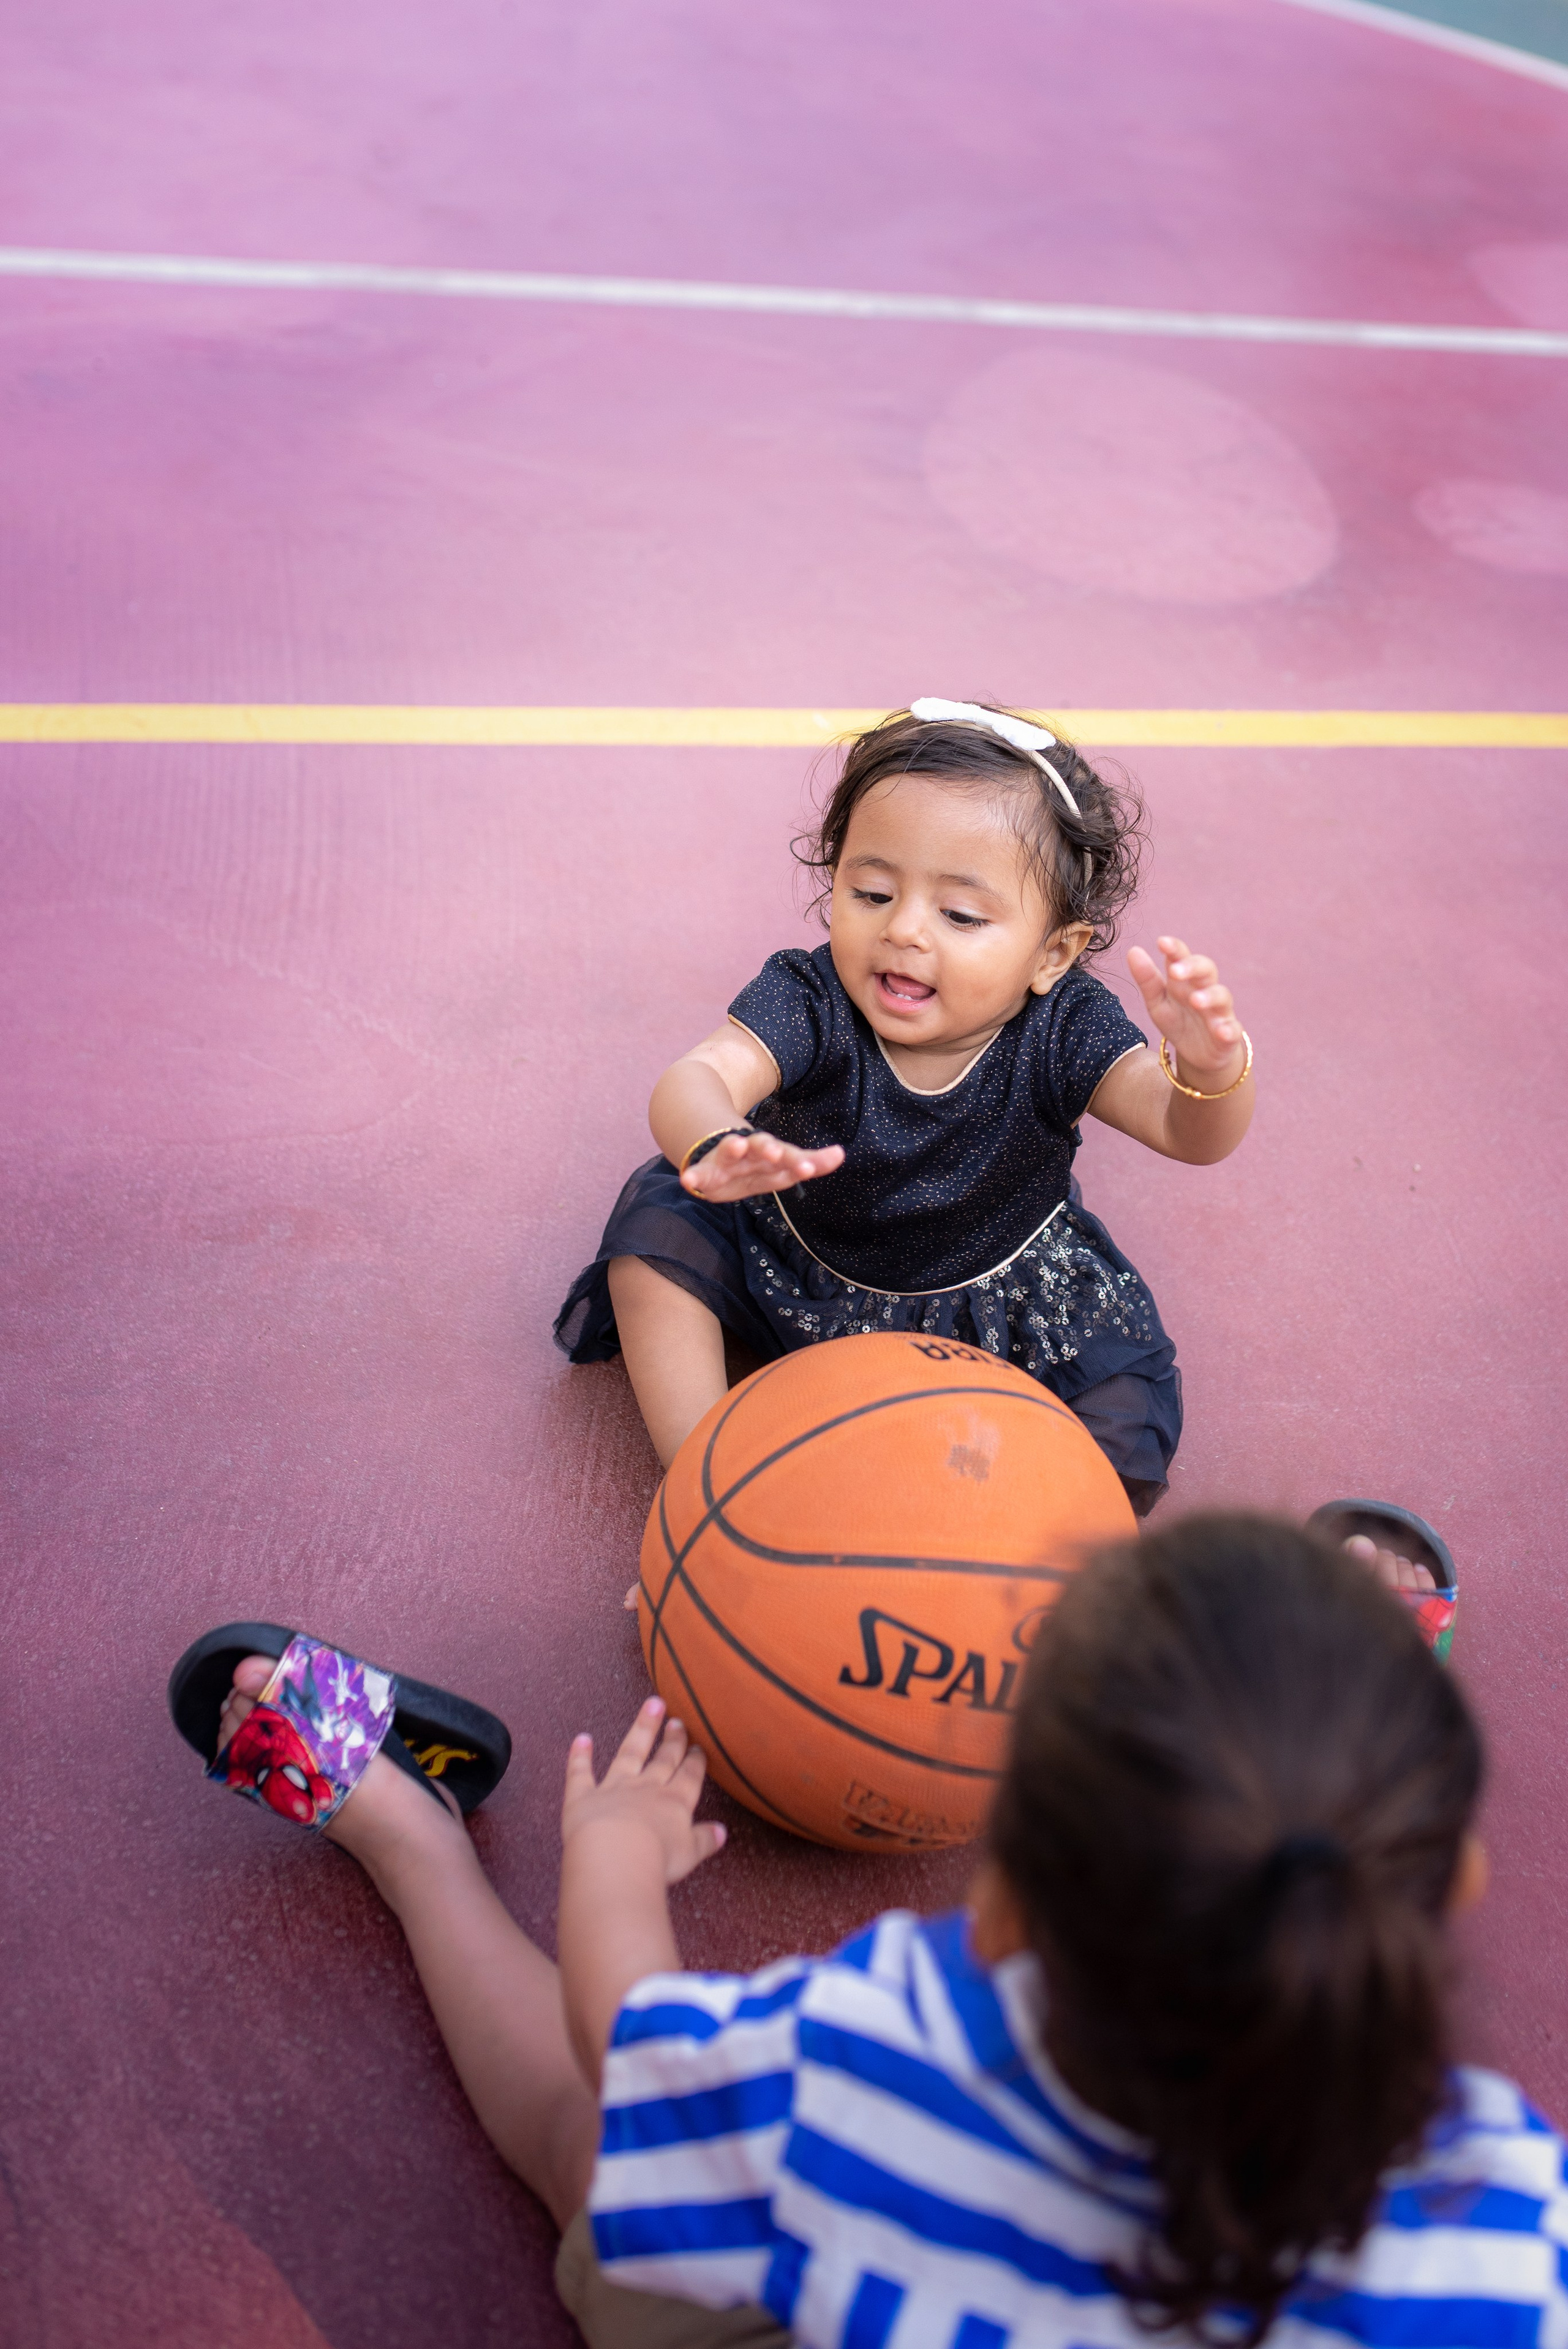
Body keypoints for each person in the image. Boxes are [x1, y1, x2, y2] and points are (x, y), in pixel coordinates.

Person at [187, 1517, 1561, 2348]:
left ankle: (409, 1839)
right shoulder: (1511, 2221)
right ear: (1453, 1889)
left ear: (1001, 1893)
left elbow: (626, 2040)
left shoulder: (887, 2060)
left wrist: (612, 1860)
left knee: (604, 2147)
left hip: (843, 2285)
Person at [554, 699, 1254, 1516]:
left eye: (960, 914)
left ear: (1052, 952)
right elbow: (700, 1073)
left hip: (996, 1306)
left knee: (1116, 1417)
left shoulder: (1064, 1025)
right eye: (873, 891)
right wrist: (713, 1140)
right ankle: (708, 1489)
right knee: (657, 1233)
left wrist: (1212, 1067)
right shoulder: (811, 996)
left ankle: (999, 1549)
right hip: (800, 1262)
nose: (906, 930)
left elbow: (1185, 1129)